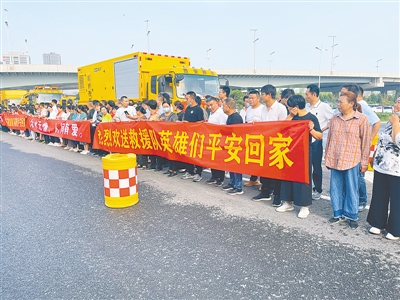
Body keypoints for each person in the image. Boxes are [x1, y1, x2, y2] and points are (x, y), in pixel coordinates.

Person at [325, 91, 371, 229]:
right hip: (335, 158)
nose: (338, 104)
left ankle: (352, 215)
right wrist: (327, 156)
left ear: (351, 104)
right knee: (335, 188)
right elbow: (329, 139)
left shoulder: (361, 119)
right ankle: (337, 213)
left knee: (352, 188)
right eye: (338, 102)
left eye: (341, 102)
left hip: (352, 160)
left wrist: (364, 162)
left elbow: (366, 142)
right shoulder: (335, 118)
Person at [276, 95, 322, 219]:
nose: (289, 109)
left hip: (304, 152)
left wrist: (311, 130)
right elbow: (282, 128)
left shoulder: (311, 118)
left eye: (290, 107)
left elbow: (319, 136)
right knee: (287, 177)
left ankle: (304, 206)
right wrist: (291, 115)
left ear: (296, 107)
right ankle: (287, 202)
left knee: (303, 178)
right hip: (289, 151)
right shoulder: (292, 117)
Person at [367, 97, 400, 240]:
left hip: (397, 169)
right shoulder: (391, 121)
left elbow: (398, 141)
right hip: (382, 166)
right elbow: (382, 140)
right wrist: (374, 156)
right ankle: (378, 223)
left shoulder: (395, 122)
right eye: (397, 101)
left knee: (397, 199)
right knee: (380, 195)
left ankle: (395, 229)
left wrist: (396, 124)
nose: (396, 104)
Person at [251, 84, 288, 206]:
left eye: (262, 95)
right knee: (264, 168)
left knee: (276, 171)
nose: (261, 97)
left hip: (276, 143)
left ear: (269, 95)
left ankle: (277, 195)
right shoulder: (262, 109)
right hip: (265, 142)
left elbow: (284, 127)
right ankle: (265, 191)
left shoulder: (281, 108)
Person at [354, 86, 381, 212]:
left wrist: (369, 139)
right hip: (354, 146)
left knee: (359, 174)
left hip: (361, 147)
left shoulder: (361, 105)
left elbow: (377, 122)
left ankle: (362, 199)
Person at [305, 84, 334, 200]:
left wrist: (322, 129)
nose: (305, 96)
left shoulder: (324, 107)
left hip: (316, 140)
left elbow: (333, 121)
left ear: (314, 94)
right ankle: (306, 188)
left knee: (316, 166)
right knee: (305, 166)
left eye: (307, 94)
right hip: (304, 141)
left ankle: (317, 189)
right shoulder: (306, 106)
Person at [221, 97, 244, 195]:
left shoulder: (236, 118)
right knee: (230, 164)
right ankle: (232, 182)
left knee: (236, 166)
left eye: (224, 106)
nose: (222, 108)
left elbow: (238, 133)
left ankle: (238, 187)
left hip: (236, 145)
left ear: (229, 107)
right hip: (230, 144)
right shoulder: (230, 117)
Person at [181, 91, 205, 182]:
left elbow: (201, 122)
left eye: (187, 99)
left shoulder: (198, 109)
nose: (186, 100)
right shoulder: (187, 108)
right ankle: (189, 171)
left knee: (197, 154)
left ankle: (198, 173)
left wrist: (191, 124)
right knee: (188, 154)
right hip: (188, 135)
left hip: (196, 135)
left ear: (192, 99)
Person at [205, 96, 228, 186]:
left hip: (219, 140)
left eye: (211, 105)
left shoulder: (221, 113)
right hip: (212, 140)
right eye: (208, 106)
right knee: (212, 159)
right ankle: (214, 176)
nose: (210, 107)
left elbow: (223, 127)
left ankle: (220, 178)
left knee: (219, 160)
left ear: (217, 103)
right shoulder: (211, 113)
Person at [244, 90, 264, 187]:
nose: (250, 100)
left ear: (258, 98)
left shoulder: (263, 109)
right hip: (250, 138)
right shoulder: (248, 110)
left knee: (262, 161)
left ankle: (264, 184)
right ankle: (253, 179)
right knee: (253, 160)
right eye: (249, 98)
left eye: (253, 98)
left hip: (261, 139)